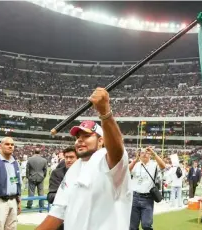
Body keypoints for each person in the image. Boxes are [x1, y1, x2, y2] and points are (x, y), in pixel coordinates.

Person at [36, 87, 132, 230]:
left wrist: (105, 113)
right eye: (77, 137)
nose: (79, 140)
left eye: (87, 136)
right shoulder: (74, 169)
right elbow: (58, 212)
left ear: (101, 141)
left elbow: (117, 150)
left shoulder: (107, 160)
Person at [0, 137, 21, 230]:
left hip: (13, 200)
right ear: (0, 146)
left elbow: (16, 183)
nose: (10, 146)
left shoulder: (15, 162)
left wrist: (19, 201)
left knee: (12, 227)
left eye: (12, 145)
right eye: (7, 144)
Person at [129, 146, 166, 230]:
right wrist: (135, 160)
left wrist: (154, 154)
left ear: (150, 155)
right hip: (135, 197)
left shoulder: (154, 165)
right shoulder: (136, 164)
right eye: (142, 152)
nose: (144, 154)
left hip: (148, 199)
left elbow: (163, 166)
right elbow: (126, 170)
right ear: (139, 155)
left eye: (147, 152)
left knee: (146, 225)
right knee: (132, 227)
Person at [47, 146, 78, 230]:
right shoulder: (57, 173)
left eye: (71, 157)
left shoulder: (86, 172)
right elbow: (50, 196)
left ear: (78, 159)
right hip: (62, 219)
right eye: (66, 157)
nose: (68, 160)